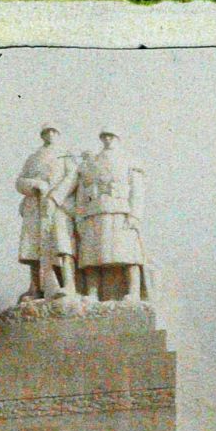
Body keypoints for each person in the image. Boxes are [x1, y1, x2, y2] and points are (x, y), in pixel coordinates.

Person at [75, 129, 148, 302]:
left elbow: (137, 191)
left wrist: (135, 216)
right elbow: (82, 194)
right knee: (91, 256)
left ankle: (133, 291)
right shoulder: (92, 163)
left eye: (111, 136)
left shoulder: (129, 160)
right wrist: (80, 218)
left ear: (117, 138)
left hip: (121, 212)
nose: (107, 139)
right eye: (104, 136)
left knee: (129, 254)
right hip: (94, 212)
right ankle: (92, 292)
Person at [15, 125, 77, 299]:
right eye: (47, 132)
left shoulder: (65, 154)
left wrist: (55, 197)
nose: (50, 134)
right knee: (33, 248)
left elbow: (72, 177)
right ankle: (35, 287)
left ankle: (69, 284)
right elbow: (20, 181)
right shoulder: (33, 157)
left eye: (54, 131)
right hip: (34, 205)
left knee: (62, 245)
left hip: (57, 204)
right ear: (42, 135)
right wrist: (34, 185)